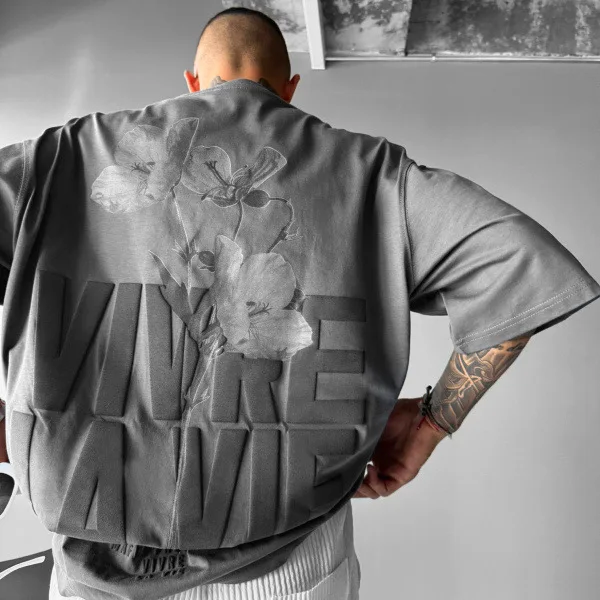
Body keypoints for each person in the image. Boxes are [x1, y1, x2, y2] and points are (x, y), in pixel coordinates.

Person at [0, 5, 599, 600]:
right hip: (293, 566)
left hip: (93, 566)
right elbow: (523, 264)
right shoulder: (375, 177)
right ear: (289, 88)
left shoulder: (61, 157)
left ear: (193, 81)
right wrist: (430, 423)